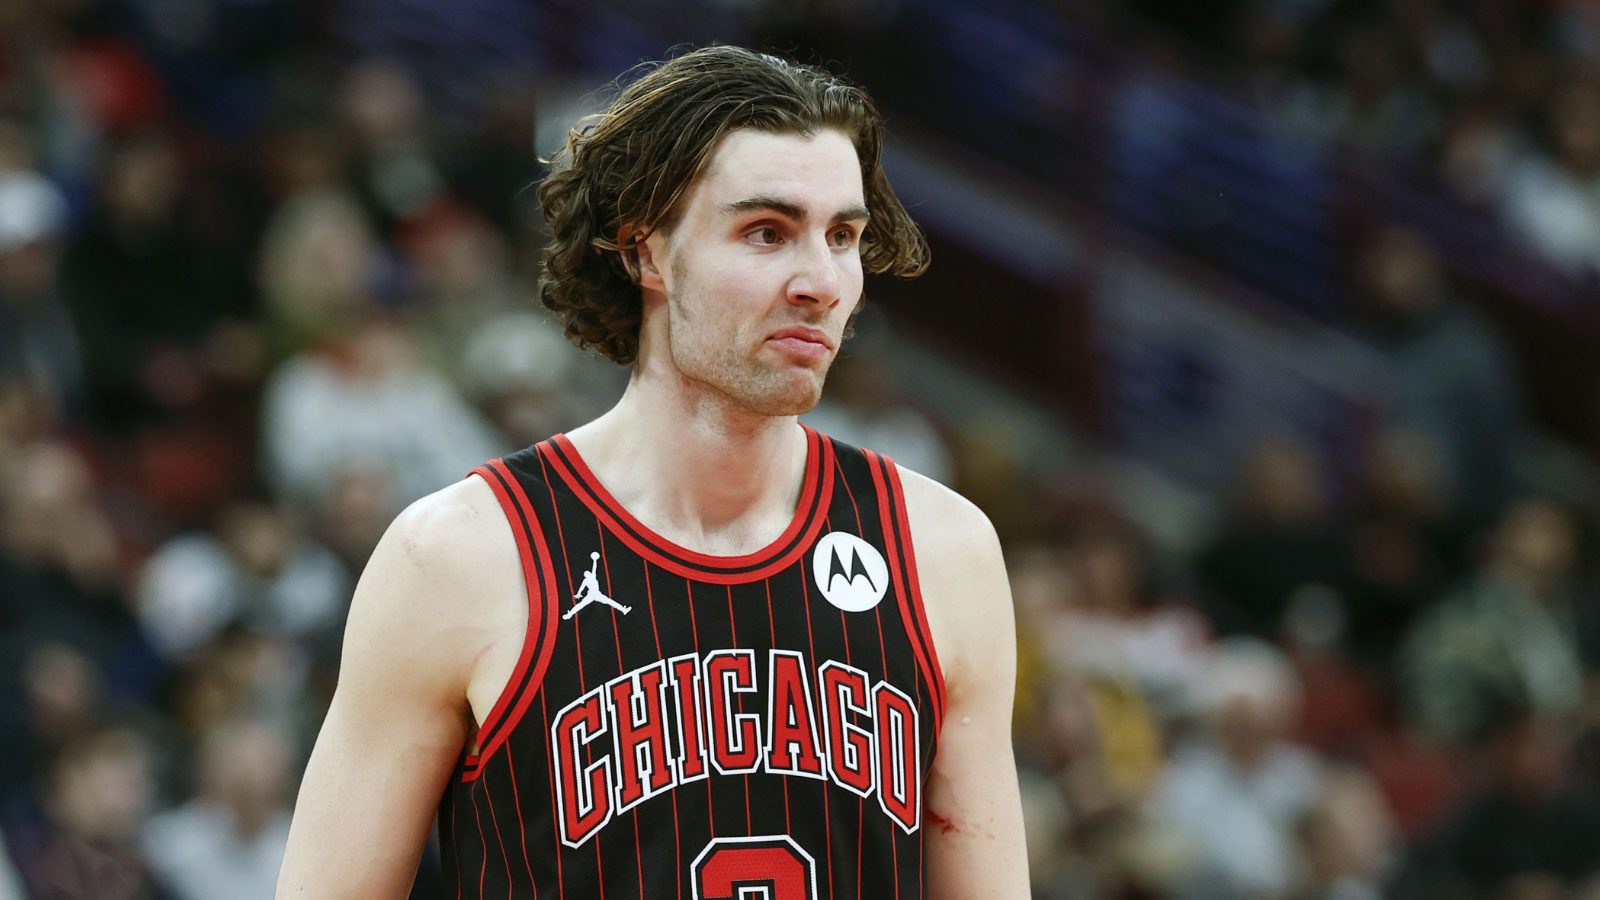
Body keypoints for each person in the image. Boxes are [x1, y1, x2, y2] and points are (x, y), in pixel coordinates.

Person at [276, 45, 1028, 899]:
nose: (821, 280)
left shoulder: (944, 552)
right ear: (647, 253)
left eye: (843, 237)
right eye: (766, 233)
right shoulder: (458, 559)